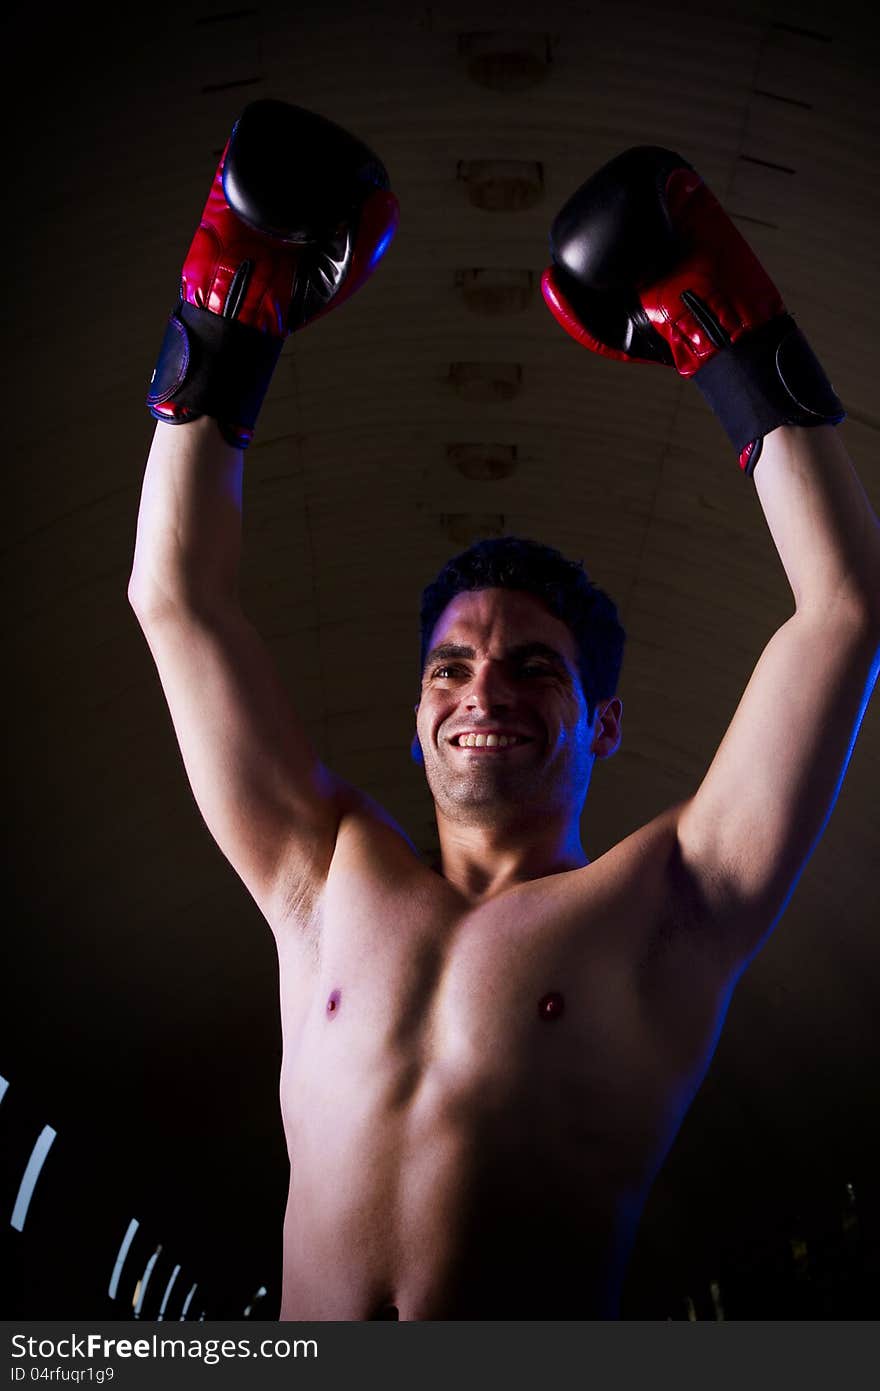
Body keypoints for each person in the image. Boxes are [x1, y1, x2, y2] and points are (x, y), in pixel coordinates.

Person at [128, 100, 880, 1319]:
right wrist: (226, 311)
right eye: (451, 668)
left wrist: (725, 328)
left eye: (534, 667)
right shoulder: (322, 874)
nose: (484, 688)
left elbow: (844, 608)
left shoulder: (669, 906)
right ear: (418, 714)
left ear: (604, 724)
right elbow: (175, 598)